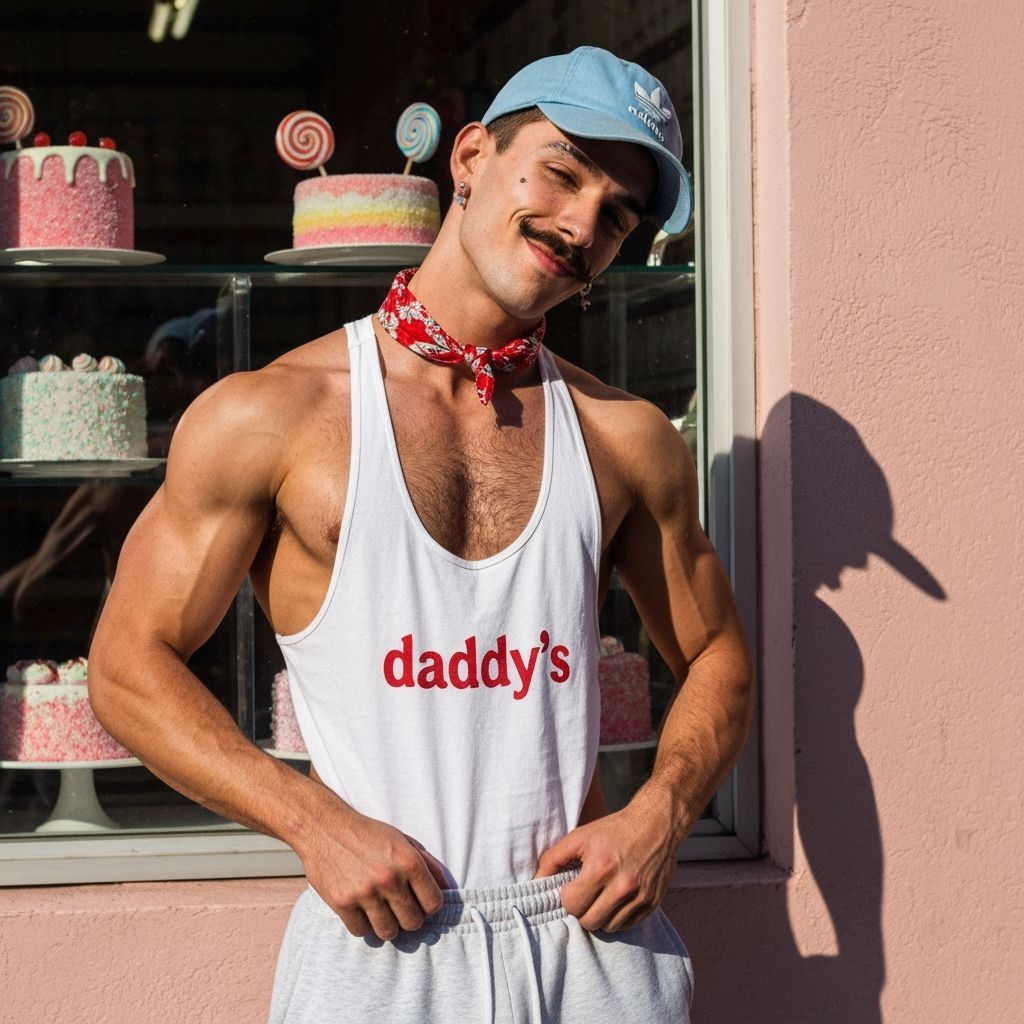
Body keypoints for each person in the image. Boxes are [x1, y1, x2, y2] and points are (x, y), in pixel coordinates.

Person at [89, 47, 753, 1023]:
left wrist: (660, 813)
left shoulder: (623, 436)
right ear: (475, 155)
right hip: (381, 947)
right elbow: (125, 664)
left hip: (588, 944)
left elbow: (718, 654)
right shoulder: (273, 414)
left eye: (617, 213)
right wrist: (311, 822)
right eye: (564, 171)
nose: (581, 224)